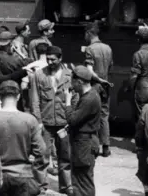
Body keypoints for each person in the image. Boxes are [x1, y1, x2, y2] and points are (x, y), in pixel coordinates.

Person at [0, 80, 45, 196]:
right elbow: (41, 151)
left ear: (0, 97)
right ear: (19, 96)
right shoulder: (29, 120)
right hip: (22, 176)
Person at [30, 45, 76, 196]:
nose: (50, 62)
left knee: (65, 156)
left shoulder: (70, 75)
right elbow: (35, 100)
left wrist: (72, 120)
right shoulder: (38, 75)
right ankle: (41, 186)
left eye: (53, 59)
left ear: (60, 58)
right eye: (48, 59)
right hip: (46, 123)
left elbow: (75, 99)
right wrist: (39, 121)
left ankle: (66, 186)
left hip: (65, 124)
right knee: (42, 156)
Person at [64, 66, 101, 196]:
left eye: (72, 82)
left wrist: (67, 102)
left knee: (82, 181)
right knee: (82, 179)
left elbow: (72, 119)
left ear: (79, 82)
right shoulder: (89, 95)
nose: (71, 85)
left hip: (84, 145)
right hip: (85, 142)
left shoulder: (89, 99)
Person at [83, 21, 113, 157]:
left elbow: (89, 71)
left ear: (89, 33)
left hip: (95, 85)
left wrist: (98, 79)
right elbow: (110, 67)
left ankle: (94, 148)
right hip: (106, 85)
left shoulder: (90, 49)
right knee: (104, 116)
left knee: (92, 116)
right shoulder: (108, 48)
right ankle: (106, 147)